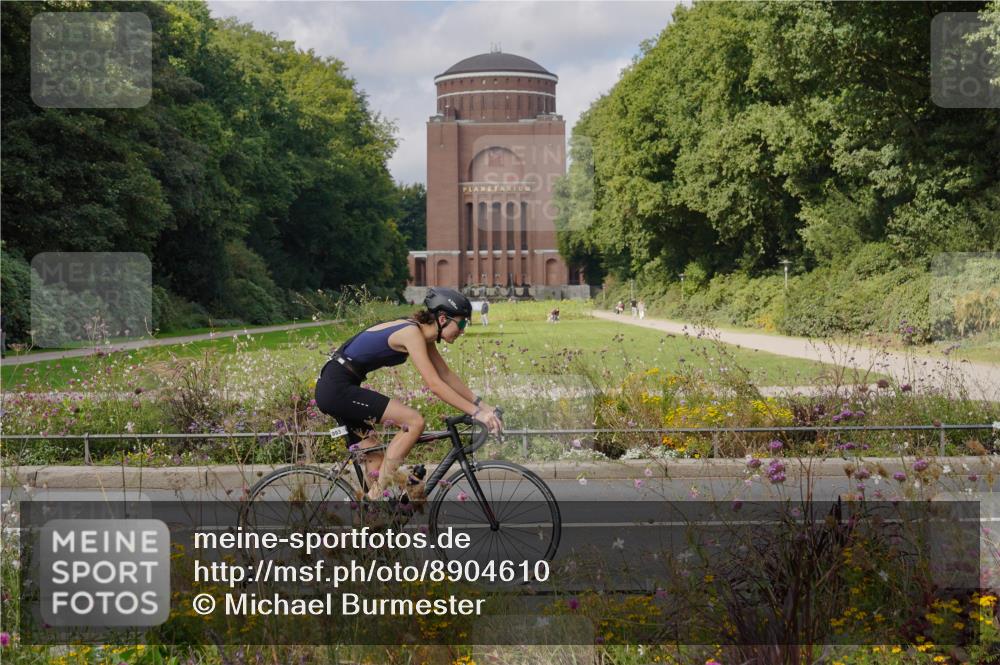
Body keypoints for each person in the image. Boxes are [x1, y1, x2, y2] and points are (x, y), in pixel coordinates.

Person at [314, 288, 502, 501]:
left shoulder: (422, 333)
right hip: (337, 388)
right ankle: (373, 498)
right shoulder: (412, 333)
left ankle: (370, 519)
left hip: (338, 385)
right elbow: (435, 385)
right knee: (414, 421)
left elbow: (446, 375)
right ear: (442, 319)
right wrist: (476, 413)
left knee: (377, 466)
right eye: (461, 323)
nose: (462, 330)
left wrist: (484, 407)